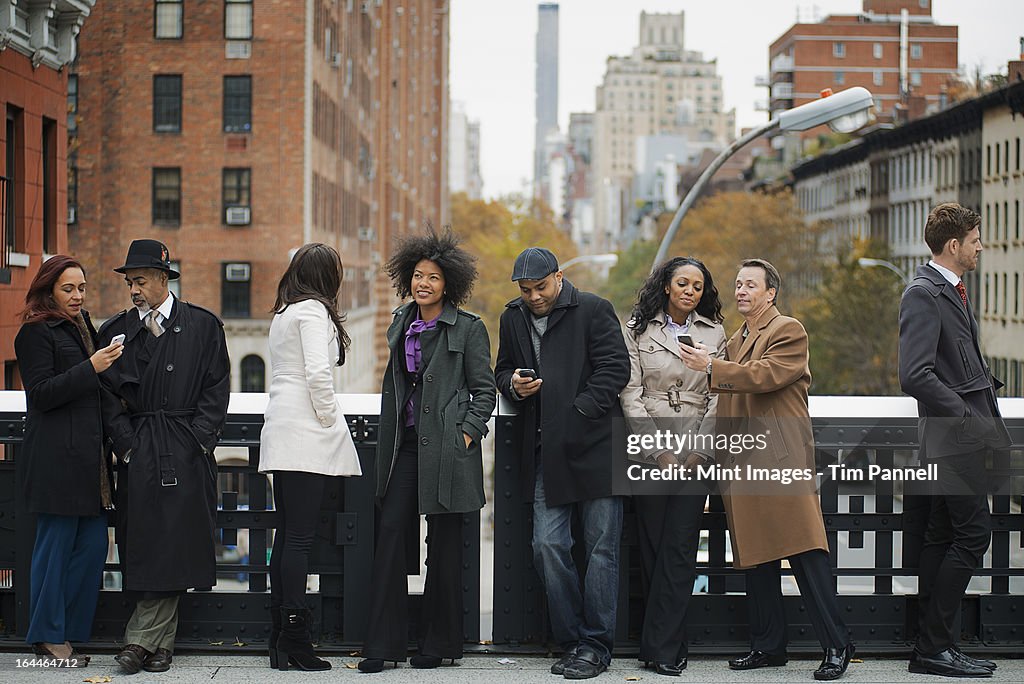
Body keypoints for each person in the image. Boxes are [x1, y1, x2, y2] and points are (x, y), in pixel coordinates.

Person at [680, 258, 854, 681]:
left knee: (806, 554)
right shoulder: (737, 337)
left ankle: (837, 645)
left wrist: (710, 367)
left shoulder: (788, 330)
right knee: (757, 558)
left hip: (780, 463)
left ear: (770, 293)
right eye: (737, 284)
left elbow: (765, 376)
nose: (740, 291)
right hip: (743, 462)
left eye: (750, 285)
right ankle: (768, 646)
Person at [358, 228, 496, 673]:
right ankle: (382, 647)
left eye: (433, 278)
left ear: (447, 285)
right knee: (391, 537)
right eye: (418, 276)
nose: (423, 284)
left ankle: (437, 646)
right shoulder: (401, 322)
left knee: (445, 547)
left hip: (449, 452)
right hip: (405, 448)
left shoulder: (470, 328)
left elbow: (484, 390)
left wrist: (467, 435)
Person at [494, 247, 630, 680]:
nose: (533, 297)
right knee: (547, 545)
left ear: (558, 277)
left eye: (540, 287)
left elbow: (615, 368)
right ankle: (572, 640)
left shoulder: (593, 308)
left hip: (597, 447)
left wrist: (578, 411)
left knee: (601, 550)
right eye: (525, 290)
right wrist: (514, 384)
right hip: (546, 451)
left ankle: (595, 645)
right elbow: (501, 371)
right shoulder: (512, 317)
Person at [97, 239, 231, 675]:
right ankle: (158, 646)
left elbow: (217, 387)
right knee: (144, 540)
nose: (133, 290)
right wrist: (128, 446)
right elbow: (106, 396)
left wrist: (199, 440)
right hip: (141, 449)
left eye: (140, 281)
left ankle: (141, 643)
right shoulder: (115, 332)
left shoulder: (203, 326)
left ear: (163, 278)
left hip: (185, 449)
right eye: (129, 283)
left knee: (176, 540)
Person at [898, 203, 1009, 678]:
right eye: (976, 240)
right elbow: (914, 374)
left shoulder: (952, 291)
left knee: (944, 534)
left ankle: (935, 647)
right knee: (972, 534)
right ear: (954, 245)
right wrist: (965, 415)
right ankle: (934, 647)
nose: (981, 246)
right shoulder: (923, 293)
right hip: (955, 439)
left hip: (959, 437)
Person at [14, 255, 124, 667]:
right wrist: (91, 366)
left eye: (81, 288)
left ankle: (72, 632)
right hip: (57, 460)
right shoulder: (35, 332)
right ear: (49, 290)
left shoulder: (82, 326)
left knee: (93, 547)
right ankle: (45, 636)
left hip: (89, 461)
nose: (78, 296)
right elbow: (40, 394)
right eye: (68, 289)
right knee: (55, 549)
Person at [619, 257, 726, 676]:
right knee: (651, 547)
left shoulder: (715, 332)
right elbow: (630, 392)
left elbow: (720, 394)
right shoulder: (637, 330)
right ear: (666, 285)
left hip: (696, 450)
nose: (689, 291)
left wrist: (699, 452)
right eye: (682, 283)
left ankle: (662, 649)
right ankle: (664, 643)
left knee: (680, 549)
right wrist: (658, 451)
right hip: (649, 450)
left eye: (697, 286)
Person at [260, 243, 362, 671]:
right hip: (305, 432)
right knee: (299, 538)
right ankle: (296, 640)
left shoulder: (285, 313)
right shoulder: (314, 313)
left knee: (286, 535)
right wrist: (327, 419)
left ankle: (280, 638)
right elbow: (319, 375)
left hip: (281, 428)